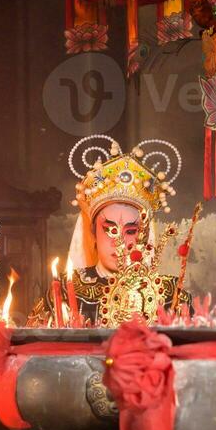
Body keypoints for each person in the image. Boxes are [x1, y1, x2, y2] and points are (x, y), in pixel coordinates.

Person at [57, 135, 189, 325]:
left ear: (144, 236)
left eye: (130, 231)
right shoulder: (65, 291)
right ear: (93, 233)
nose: (119, 242)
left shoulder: (172, 296)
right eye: (110, 230)